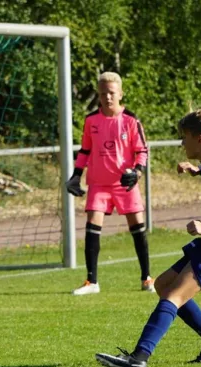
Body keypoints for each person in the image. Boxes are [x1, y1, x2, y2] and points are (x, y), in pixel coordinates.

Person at [95, 108, 201, 367]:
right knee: (163, 284)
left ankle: (139, 357)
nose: (182, 143)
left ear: (200, 140)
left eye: (185, 137)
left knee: (174, 295)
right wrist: (198, 171)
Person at [66, 71, 153, 295]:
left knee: (138, 229)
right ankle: (91, 282)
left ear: (120, 93)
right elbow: (85, 150)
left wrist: (137, 172)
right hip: (98, 184)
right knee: (92, 227)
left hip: (125, 185)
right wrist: (76, 175)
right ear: (99, 94)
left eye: (112, 93)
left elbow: (141, 151)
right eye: (103, 93)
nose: (108, 97)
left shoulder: (131, 120)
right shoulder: (91, 120)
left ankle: (146, 278)